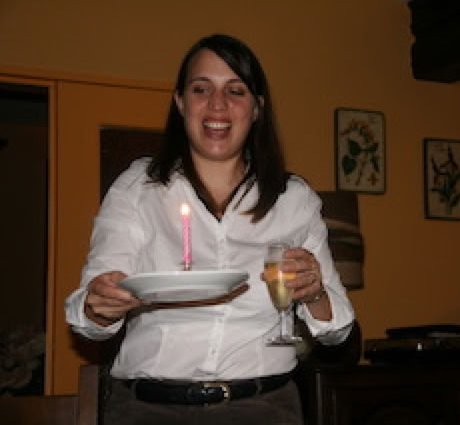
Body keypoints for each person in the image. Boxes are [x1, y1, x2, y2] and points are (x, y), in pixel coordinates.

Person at [64, 33, 355, 425]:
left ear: (257, 108)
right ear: (180, 102)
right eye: (201, 89)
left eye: (235, 90)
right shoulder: (137, 187)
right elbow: (88, 317)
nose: (218, 104)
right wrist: (99, 306)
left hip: (263, 408)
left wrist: (314, 291)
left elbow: (337, 331)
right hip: (147, 410)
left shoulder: (294, 199)